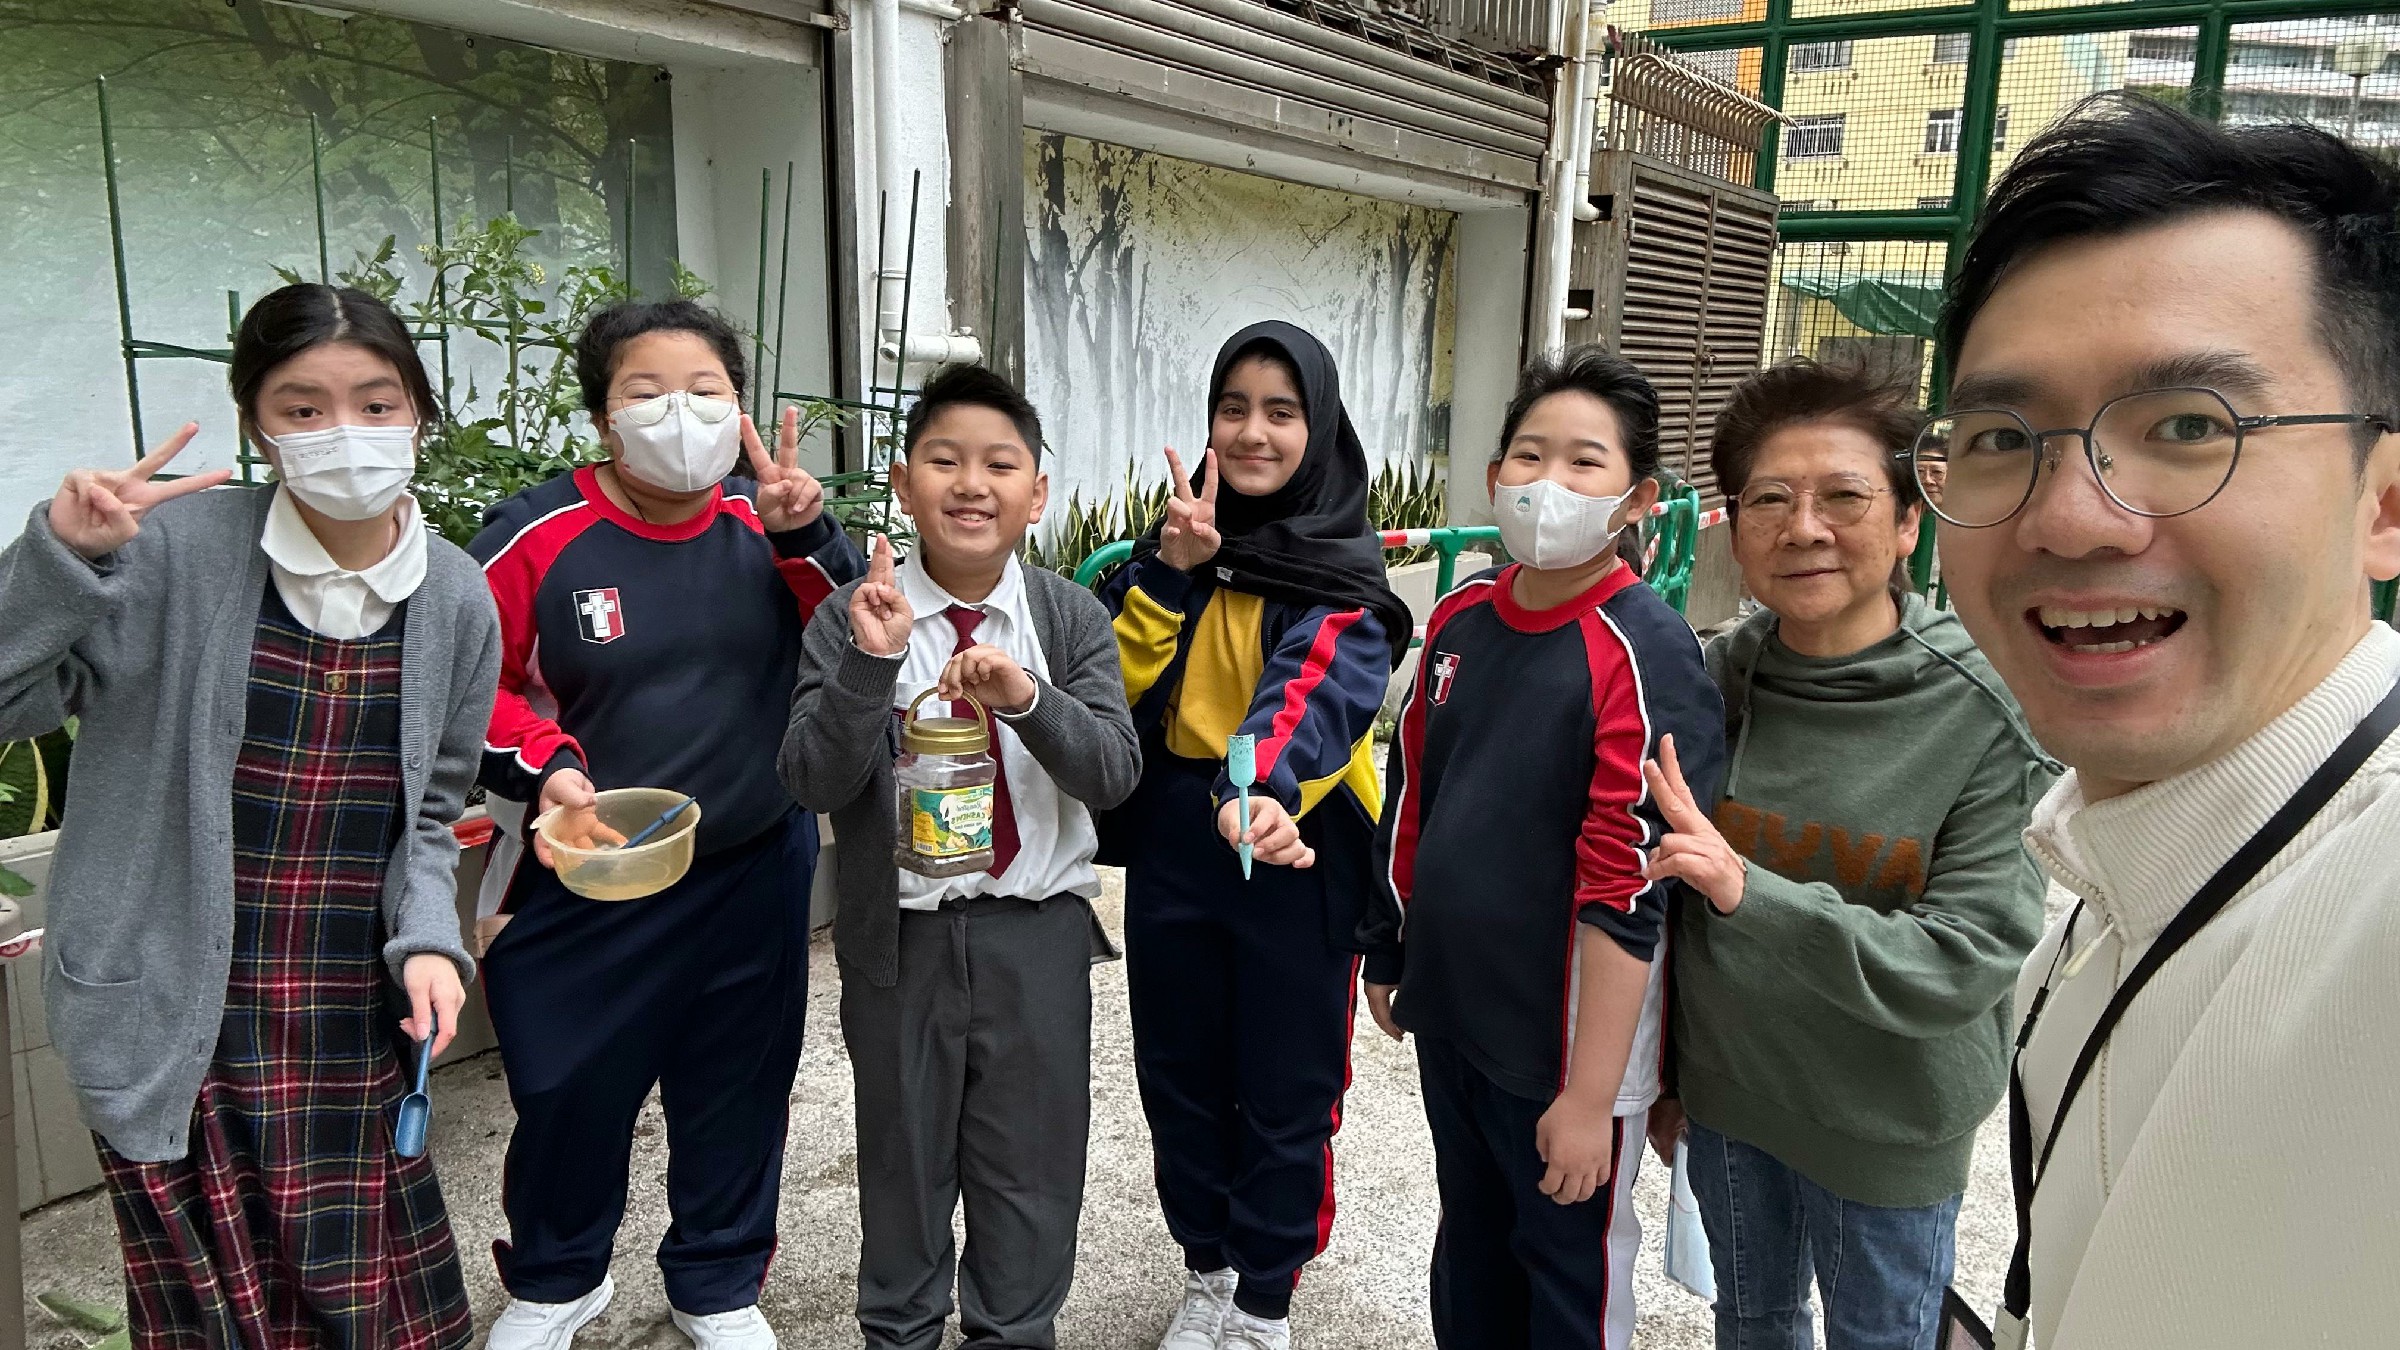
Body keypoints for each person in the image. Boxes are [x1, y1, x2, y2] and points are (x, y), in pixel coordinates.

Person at [1923, 94, 2400, 1347]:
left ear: (2386, 500)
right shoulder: (2103, 886)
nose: (2070, 518)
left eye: (2190, 427)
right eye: (1999, 436)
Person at [0, 283, 496, 1347]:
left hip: (349, 1014)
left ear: (418, 411)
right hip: (172, 1010)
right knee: (212, 1320)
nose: (345, 432)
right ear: (257, 425)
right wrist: (62, 559)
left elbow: (429, 814)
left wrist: (429, 940)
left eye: (376, 403)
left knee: (371, 1312)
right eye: (303, 407)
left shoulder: (456, 597)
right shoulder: (165, 554)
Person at [1637, 358, 2055, 1350]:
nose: (1804, 528)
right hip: (1732, 1104)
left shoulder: (1983, 710)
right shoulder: (1714, 678)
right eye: (1769, 499)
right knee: (1752, 1324)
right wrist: (1665, 1073)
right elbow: (1662, 900)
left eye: (1844, 497)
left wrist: (1748, 890)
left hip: (1887, 1128)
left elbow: (1962, 960)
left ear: (1909, 520)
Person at [469, 299, 863, 1350]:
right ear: (603, 417)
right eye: (645, 393)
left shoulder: (763, 519)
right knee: (566, 1084)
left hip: (752, 858)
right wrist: (548, 763)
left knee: (738, 1082)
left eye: (705, 391)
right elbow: (467, 687)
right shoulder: (534, 536)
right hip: (588, 867)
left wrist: (807, 535)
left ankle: (718, 1282)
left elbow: (859, 641)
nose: (677, 414)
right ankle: (557, 1278)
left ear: (739, 406)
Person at [1360, 346, 1724, 1350]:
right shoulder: (1461, 617)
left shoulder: (1645, 650)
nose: (1547, 482)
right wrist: (1387, 947)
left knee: (1568, 1279)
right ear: (1493, 476)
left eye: (1584, 462)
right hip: (1457, 1019)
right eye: (1529, 455)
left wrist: (1591, 1099)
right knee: (1472, 1250)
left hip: (1566, 1051)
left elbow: (1630, 885)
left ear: (1637, 500)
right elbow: (1414, 792)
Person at [780, 363, 1140, 1350]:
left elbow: (1114, 773)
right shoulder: (851, 615)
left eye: (1000, 464)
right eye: (945, 461)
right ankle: (899, 1334)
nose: (972, 484)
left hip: (1038, 939)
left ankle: (1012, 1333)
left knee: (1031, 1179)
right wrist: (872, 664)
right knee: (901, 1173)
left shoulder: (1068, 617)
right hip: (899, 948)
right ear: (904, 484)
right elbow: (810, 779)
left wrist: (1029, 701)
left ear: (1038, 493)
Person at [1097, 321, 1411, 1350]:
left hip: (1294, 848)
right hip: (1180, 842)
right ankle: (1207, 1270)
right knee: (1178, 1072)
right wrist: (1173, 572)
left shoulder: (1340, 568)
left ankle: (1264, 1301)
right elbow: (1111, 684)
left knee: (1289, 1086)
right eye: (1233, 408)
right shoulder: (1178, 545)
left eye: (1282, 411)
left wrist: (1259, 785)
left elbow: (1311, 689)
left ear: (1320, 429)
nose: (1252, 432)